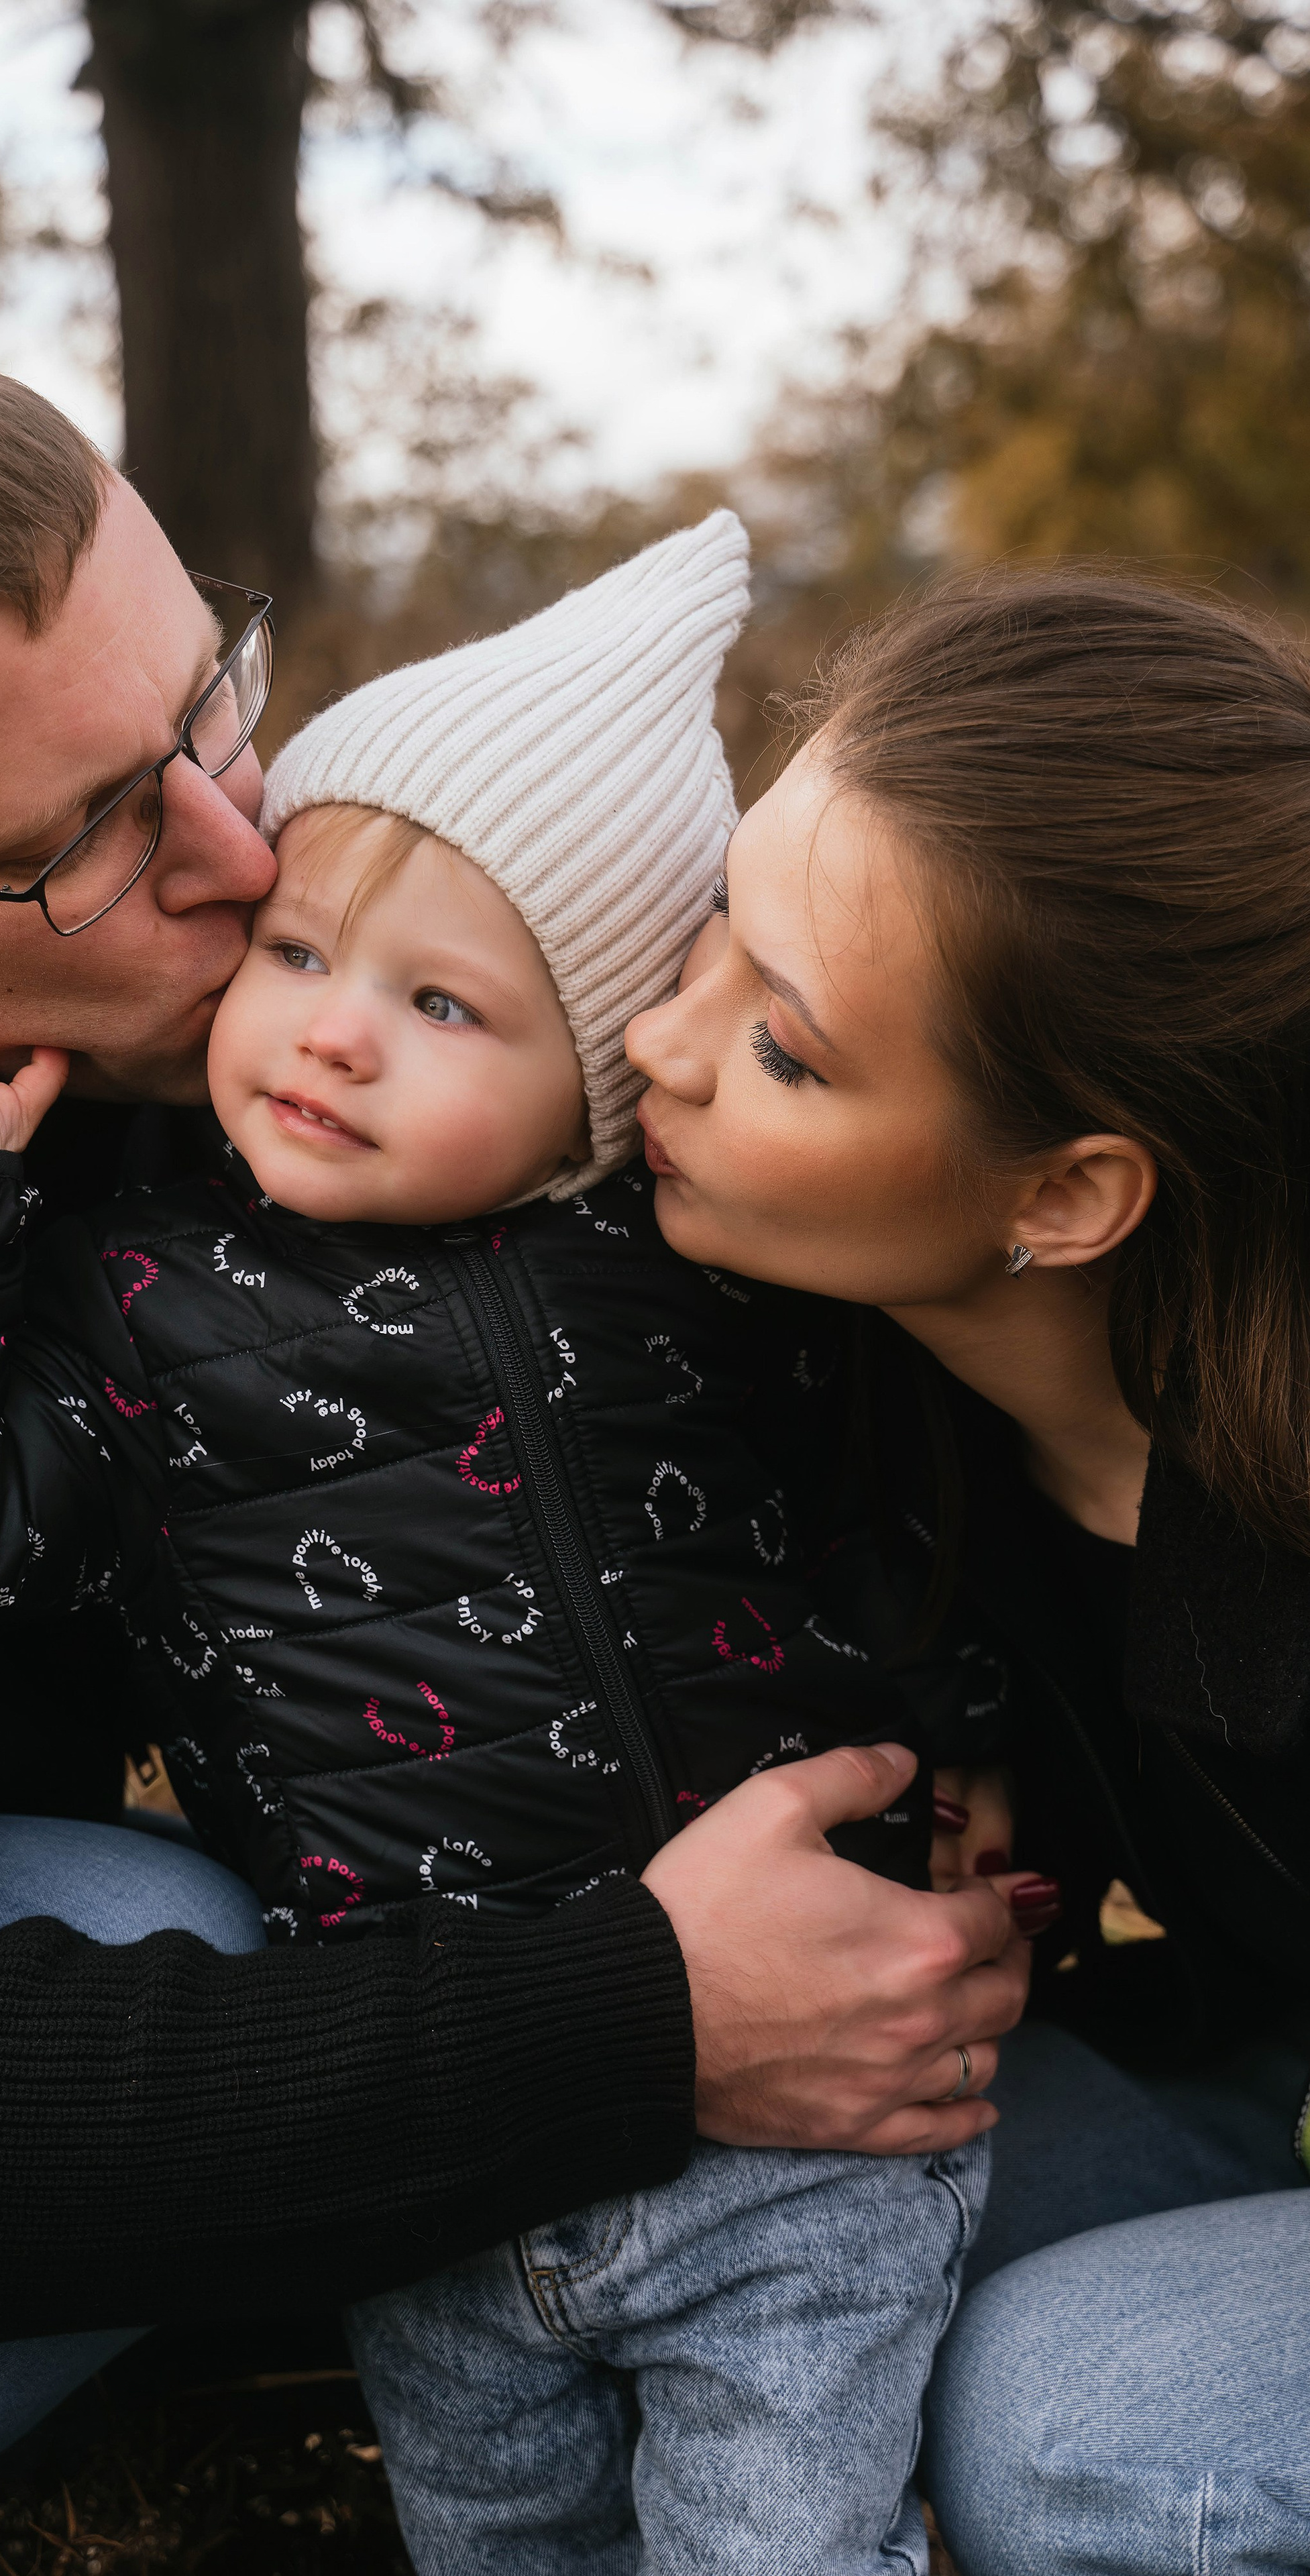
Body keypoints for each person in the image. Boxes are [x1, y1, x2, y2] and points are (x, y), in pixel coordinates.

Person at [0, 309, 1024, 2573]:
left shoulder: (260, 1029)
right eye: (82, 834)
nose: (239, 851)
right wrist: (645, 2020)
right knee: (122, 1929)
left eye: (202, 709)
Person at [628, 566, 1310, 2574]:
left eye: (786, 1048)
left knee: (1073, 2426)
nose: (662, 1046)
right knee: (799, 2171)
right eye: (715, 940)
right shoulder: (882, 1400)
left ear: (1071, 1192)